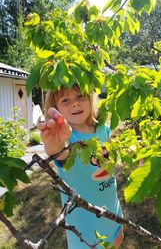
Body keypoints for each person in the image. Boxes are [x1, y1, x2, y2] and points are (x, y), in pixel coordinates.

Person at [38, 84, 123, 249]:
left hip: (113, 211)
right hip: (85, 226)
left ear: (91, 98)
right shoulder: (67, 139)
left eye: (80, 96)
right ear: (56, 108)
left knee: (117, 241)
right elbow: (59, 152)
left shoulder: (103, 129)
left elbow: (112, 160)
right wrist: (55, 144)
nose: (75, 104)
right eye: (65, 100)